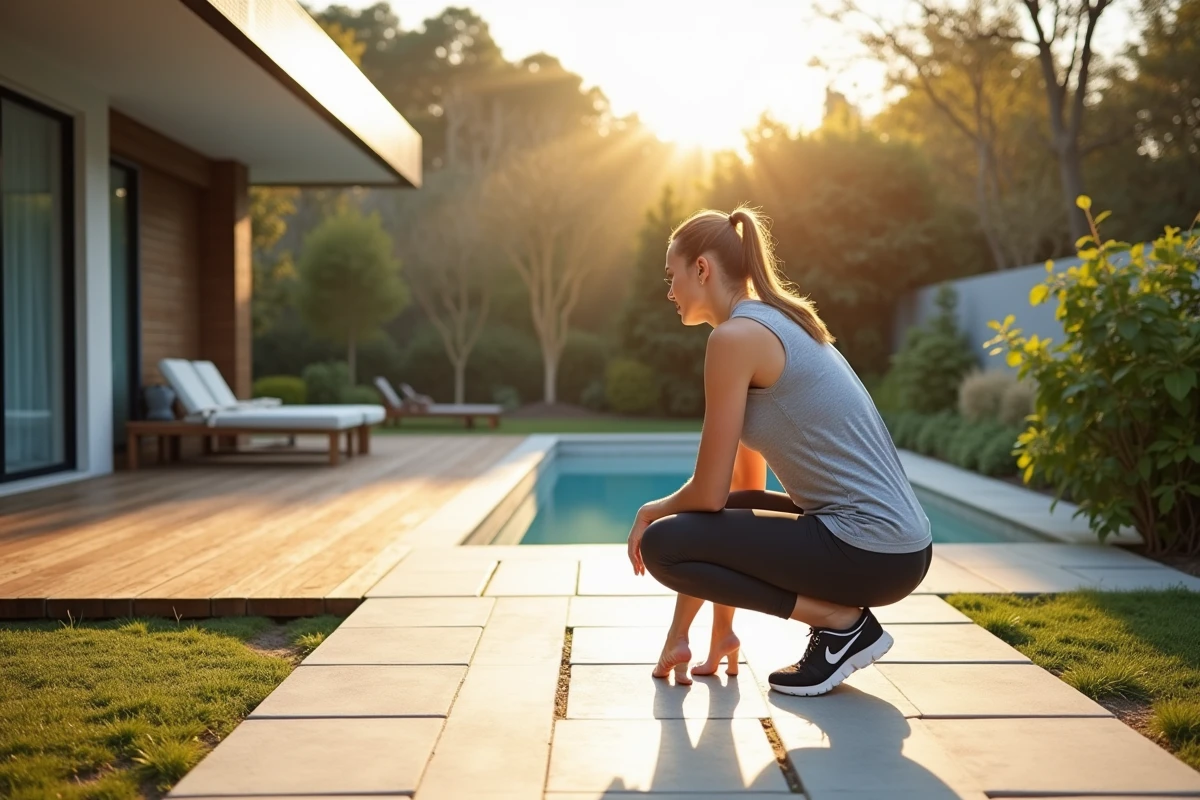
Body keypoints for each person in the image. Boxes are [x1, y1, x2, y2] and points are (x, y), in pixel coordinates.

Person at [626, 206, 933, 697]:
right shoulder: (771, 322)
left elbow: (705, 497)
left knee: (661, 543)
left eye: (671, 275)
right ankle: (835, 625)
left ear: (701, 268)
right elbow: (729, 503)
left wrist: (649, 511)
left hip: (870, 548)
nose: (668, 292)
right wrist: (707, 631)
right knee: (691, 525)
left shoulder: (734, 339)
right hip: (899, 548)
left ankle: (839, 623)